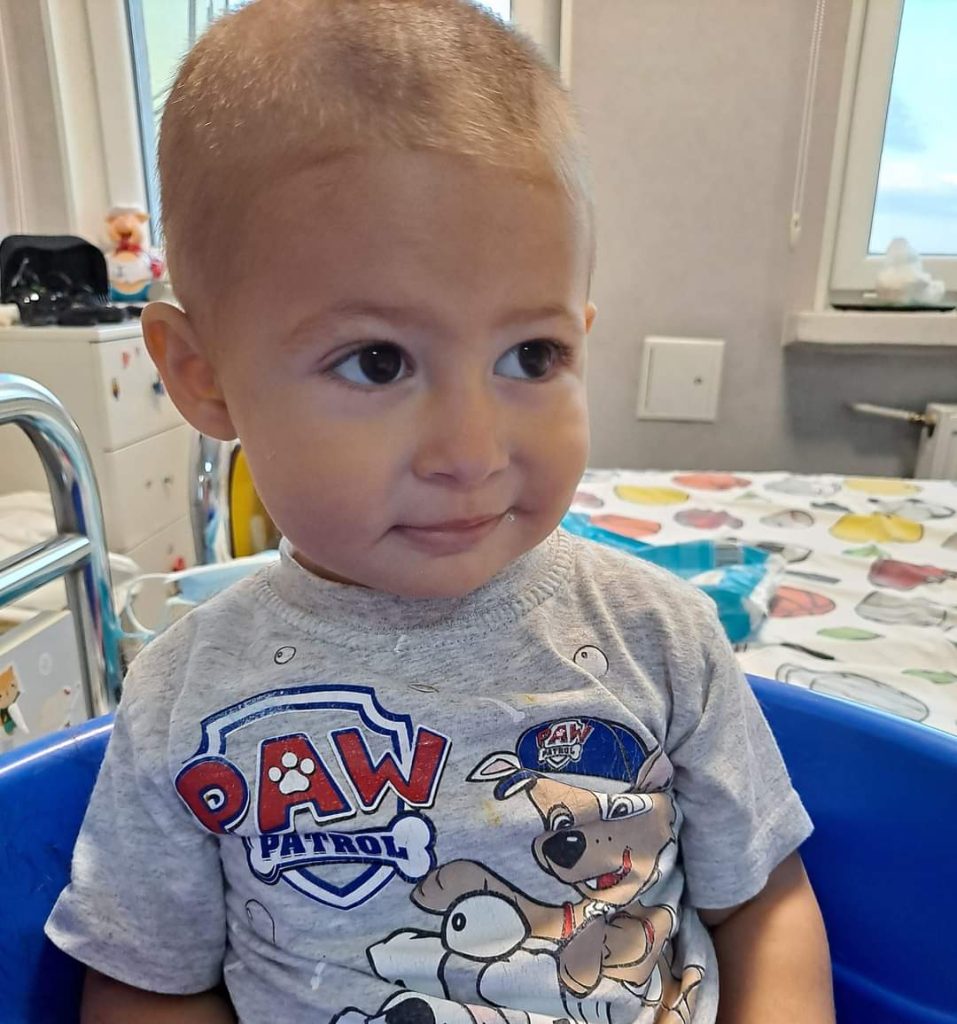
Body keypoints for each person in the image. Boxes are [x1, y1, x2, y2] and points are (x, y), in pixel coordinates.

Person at [45, 1, 834, 1021]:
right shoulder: (181, 697)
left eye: (531, 356)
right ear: (203, 377)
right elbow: (147, 982)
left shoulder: (658, 638)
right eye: (378, 362)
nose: (471, 452)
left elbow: (763, 904)